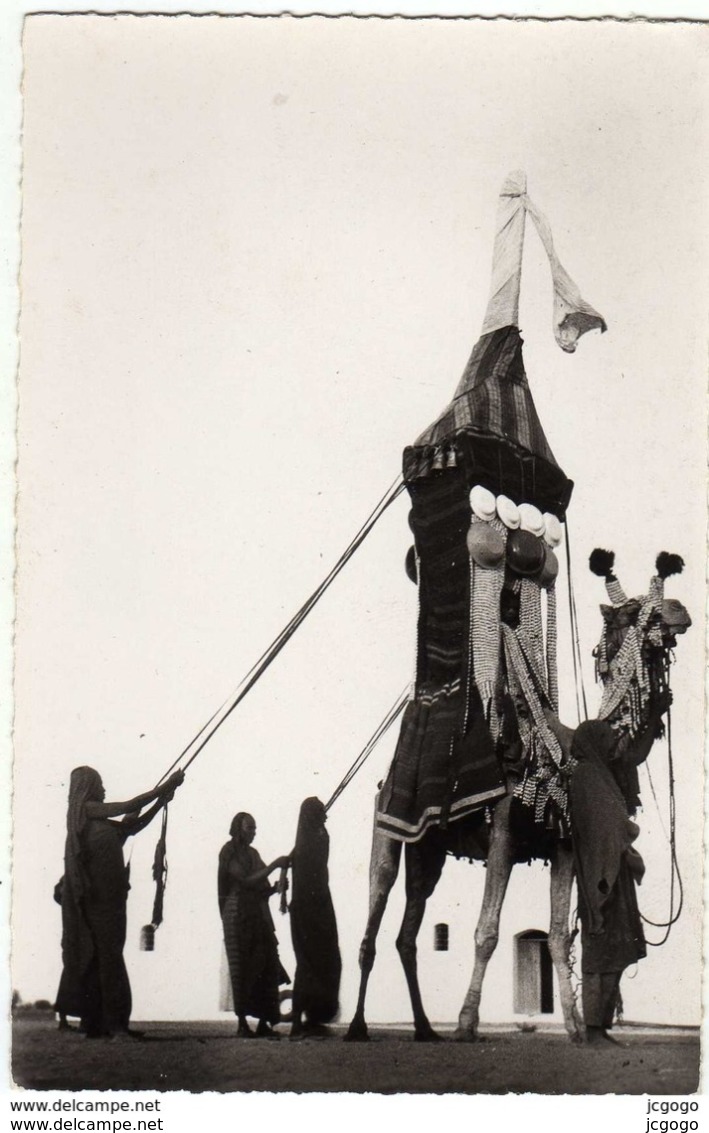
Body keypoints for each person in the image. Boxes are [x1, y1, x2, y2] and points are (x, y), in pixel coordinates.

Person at [56, 765, 184, 1040]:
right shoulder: (86, 811)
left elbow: (132, 826)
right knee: (108, 959)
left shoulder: (97, 823)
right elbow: (129, 806)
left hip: (111, 902)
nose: (103, 789)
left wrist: (162, 800)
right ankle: (114, 1025)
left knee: (106, 958)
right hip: (99, 904)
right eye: (99, 784)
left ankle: (100, 1024)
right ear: (87, 787)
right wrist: (164, 786)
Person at [566, 720, 646, 1045]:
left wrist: (624, 847)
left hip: (614, 872)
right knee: (598, 950)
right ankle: (594, 1029)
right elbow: (607, 828)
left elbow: (614, 825)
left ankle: (602, 1026)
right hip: (601, 878)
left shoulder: (600, 776)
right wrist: (626, 848)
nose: (612, 746)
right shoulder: (587, 777)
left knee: (617, 948)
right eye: (607, 740)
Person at [218, 813, 290, 1038]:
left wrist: (276, 887)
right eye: (250, 828)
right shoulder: (228, 851)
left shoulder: (253, 853)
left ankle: (263, 1022)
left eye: (255, 829)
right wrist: (275, 865)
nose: (253, 832)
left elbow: (260, 888)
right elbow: (245, 880)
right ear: (238, 829)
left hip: (257, 916)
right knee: (241, 967)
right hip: (237, 915)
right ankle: (242, 1024)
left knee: (266, 963)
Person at [288, 797, 341, 1039]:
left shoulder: (309, 838)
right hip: (313, 909)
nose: (326, 816)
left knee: (316, 963)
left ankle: (310, 1018)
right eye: (321, 812)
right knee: (310, 964)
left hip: (314, 907)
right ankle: (301, 1022)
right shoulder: (318, 837)